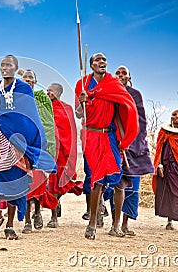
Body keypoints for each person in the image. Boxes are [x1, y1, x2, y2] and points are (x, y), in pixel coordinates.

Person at [0, 55, 57, 240]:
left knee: (15, 182)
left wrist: (29, 142)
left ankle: (9, 225)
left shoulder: (24, 88)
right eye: (3, 65)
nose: (5, 68)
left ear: (16, 68)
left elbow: (29, 116)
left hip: (17, 140)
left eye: (9, 65)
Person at [74, 53, 139, 240]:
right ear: (91, 64)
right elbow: (79, 114)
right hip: (91, 135)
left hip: (110, 136)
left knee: (118, 179)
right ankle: (92, 222)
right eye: (97, 60)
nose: (102, 63)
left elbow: (126, 106)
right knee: (96, 179)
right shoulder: (83, 84)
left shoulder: (113, 84)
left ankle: (116, 225)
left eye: (104, 61)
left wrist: (124, 137)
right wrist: (82, 102)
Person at [103, 66, 154, 236]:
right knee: (116, 184)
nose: (120, 75)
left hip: (134, 147)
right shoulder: (109, 93)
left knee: (132, 187)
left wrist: (137, 144)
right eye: (117, 73)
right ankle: (114, 224)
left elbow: (141, 122)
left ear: (129, 77)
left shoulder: (136, 95)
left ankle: (124, 224)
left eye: (124, 73)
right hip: (114, 145)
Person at [21, 70, 58, 233]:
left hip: (38, 145)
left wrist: (47, 148)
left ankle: (37, 213)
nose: (28, 81)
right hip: (21, 144)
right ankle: (27, 220)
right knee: (24, 183)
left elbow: (49, 124)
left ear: (35, 81)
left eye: (31, 79)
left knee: (38, 182)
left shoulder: (42, 98)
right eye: (25, 78)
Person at [46, 83, 83, 228]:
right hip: (50, 151)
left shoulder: (66, 108)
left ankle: (56, 206)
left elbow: (71, 130)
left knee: (61, 185)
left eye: (51, 90)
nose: (48, 92)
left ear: (58, 92)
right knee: (53, 185)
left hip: (64, 151)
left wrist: (69, 151)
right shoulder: (44, 108)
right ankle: (53, 217)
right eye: (47, 89)